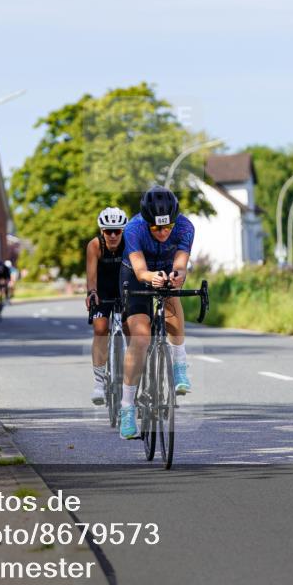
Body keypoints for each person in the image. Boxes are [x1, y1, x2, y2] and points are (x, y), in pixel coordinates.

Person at [117, 186, 194, 439]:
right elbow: (140, 271)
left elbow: (181, 263)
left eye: (167, 227)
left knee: (172, 295)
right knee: (140, 338)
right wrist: (151, 277)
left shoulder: (185, 227)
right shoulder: (133, 229)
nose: (162, 233)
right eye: (156, 229)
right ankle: (127, 408)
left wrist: (178, 276)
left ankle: (179, 364)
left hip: (166, 270)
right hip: (138, 274)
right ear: (146, 223)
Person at [85, 207, 128, 405]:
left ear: (123, 231)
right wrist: (92, 293)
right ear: (102, 231)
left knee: (133, 328)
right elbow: (91, 276)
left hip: (125, 289)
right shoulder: (95, 245)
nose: (112, 235)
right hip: (102, 291)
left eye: (117, 231)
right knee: (101, 329)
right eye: (108, 231)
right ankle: (99, 383)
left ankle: (130, 369)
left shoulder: (130, 242)